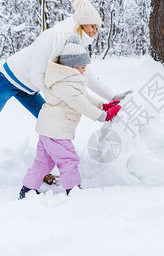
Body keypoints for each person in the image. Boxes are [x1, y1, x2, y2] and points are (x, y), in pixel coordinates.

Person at [0, 0, 131, 202]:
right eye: (93, 25)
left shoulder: (73, 42)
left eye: (97, 27)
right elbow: (36, 75)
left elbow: (84, 75)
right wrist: (60, 93)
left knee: (52, 125)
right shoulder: (53, 36)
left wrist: (112, 96)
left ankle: (39, 172)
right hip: (7, 80)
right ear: (82, 22)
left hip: (30, 89)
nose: (95, 31)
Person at [19, 37, 121, 199]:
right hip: (56, 132)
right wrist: (103, 116)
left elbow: (84, 97)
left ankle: (27, 189)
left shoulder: (68, 81)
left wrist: (103, 105)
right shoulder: (65, 84)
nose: (84, 70)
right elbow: (81, 104)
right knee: (68, 159)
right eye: (82, 67)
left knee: (43, 162)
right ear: (71, 66)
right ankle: (73, 190)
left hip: (49, 130)